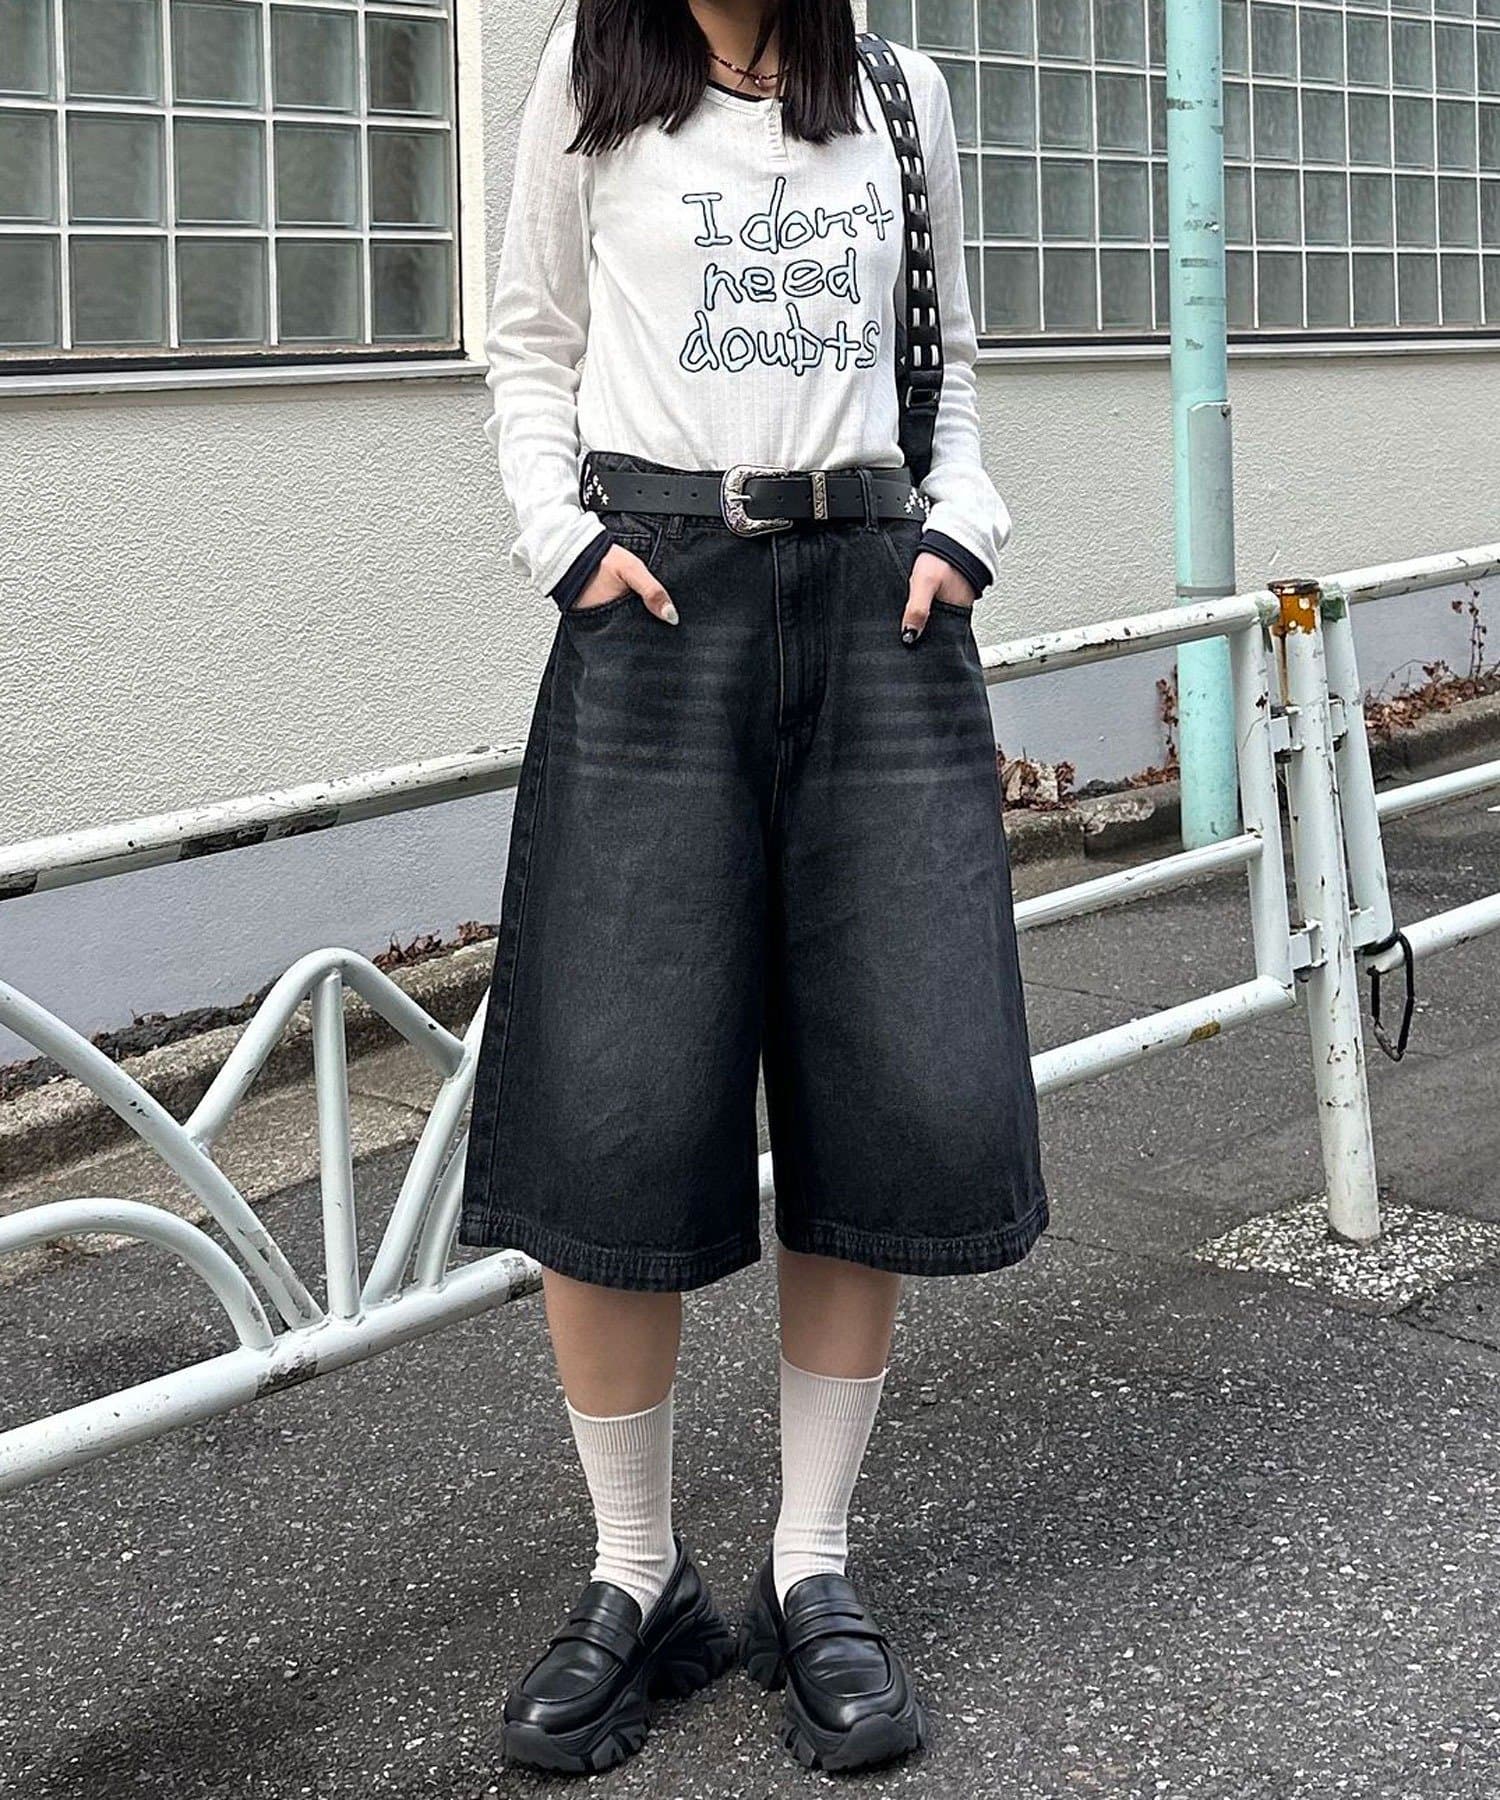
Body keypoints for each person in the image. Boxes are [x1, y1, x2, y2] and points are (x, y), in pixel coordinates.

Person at [460, 0, 1047, 1774]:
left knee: (884, 1075)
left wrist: (962, 528)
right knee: (616, 1099)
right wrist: (562, 541)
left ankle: (812, 1566)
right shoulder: (589, 81)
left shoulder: (898, 94)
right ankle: (638, 1574)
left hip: (878, 603)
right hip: (657, 601)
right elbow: (528, 342)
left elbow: (949, 370)